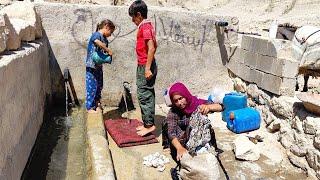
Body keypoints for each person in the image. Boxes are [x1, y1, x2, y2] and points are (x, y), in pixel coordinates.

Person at [164, 82, 223, 162]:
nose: (179, 103)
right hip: (182, 141)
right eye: (176, 101)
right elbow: (171, 133)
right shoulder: (173, 112)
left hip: (198, 138)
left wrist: (208, 107)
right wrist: (179, 148)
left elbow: (221, 107)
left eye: (181, 98)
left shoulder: (197, 104)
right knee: (166, 123)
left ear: (186, 95)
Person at [128, 0, 158, 136]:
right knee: (146, 93)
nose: (133, 20)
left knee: (144, 94)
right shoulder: (147, 26)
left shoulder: (145, 27)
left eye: (133, 17)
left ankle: (149, 125)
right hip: (145, 64)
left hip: (145, 65)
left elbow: (151, 48)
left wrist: (147, 68)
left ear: (138, 15)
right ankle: (148, 123)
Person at [85, 19, 115, 113]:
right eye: (111, 31)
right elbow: (96, 41)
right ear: (106, 27)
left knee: (99, 85)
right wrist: (107, 49)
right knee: (91, 86)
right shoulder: (97, 34)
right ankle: (89, 107)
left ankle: (97, 103)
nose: (111, 34)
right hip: (91, 66)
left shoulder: (105, 39)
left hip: (98, 66)